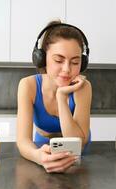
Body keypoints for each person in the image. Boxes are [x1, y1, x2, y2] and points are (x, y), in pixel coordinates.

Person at [16, 20, 92, 173]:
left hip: (79, 150)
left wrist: (61, 97)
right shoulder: (28, 86)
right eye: (58, 60)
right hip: (42, 147)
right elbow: (23, 141)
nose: (67, 69)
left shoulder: (83, 88)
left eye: (75, 62)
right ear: (42, 58)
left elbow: (78, 143)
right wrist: (38, 156)